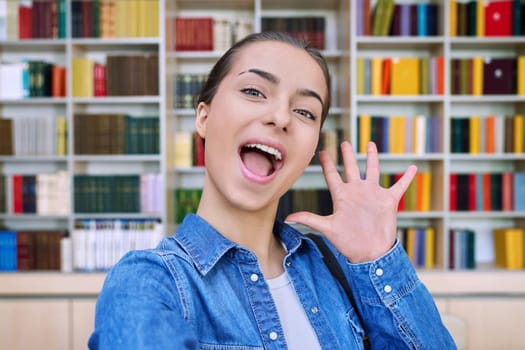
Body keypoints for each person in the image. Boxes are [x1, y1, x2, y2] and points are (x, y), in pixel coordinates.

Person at [88, 31, 456, 349]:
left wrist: (377, 257)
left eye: (305, 112)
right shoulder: (148, 282)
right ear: (204, 116)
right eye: (253, 91)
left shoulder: (341, 269)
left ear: (310, 149)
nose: (280, 117)